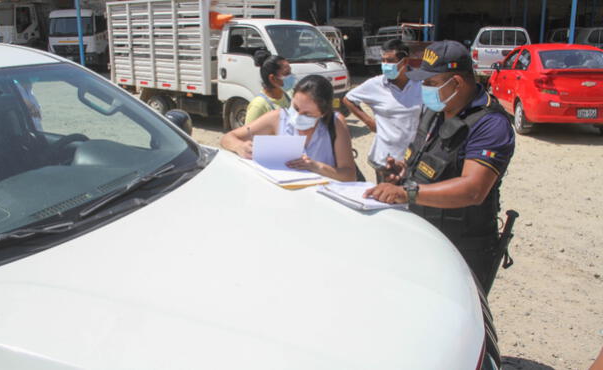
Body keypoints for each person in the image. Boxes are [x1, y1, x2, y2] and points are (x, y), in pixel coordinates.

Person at [363, 40, 515, 293]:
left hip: (462, 245)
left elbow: (473, 189)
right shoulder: (437, 110)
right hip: (423, 231)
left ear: (456, 82)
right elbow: (427, 159)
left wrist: (406, 193)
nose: (424, 89)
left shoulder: (490, 125)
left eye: (431, 83)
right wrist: (402, 171)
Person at [221, 75, 356, 182]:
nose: (298, 116)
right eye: (296, 108)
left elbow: (349, 175)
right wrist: (240, 146)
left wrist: (316, 166)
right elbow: (227, 138)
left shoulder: (335, 123)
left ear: (323, 113)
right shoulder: (277, 118)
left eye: (307, 114)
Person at [343, 39, 422, 183]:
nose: (385, 65)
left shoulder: (420, 84)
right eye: (383, 60)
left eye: (390, 61)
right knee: (386, 198)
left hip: (412, 157)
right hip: (385, 159)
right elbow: (348, 99)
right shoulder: (376, 84)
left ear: (404, 62)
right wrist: (369, 121)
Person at [245, 51, 294, 124]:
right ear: (273, 78)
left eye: (290, 72)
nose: (291, 76)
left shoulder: (290, 94)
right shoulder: (258, 106)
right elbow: (248, 134)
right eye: (287, 73)